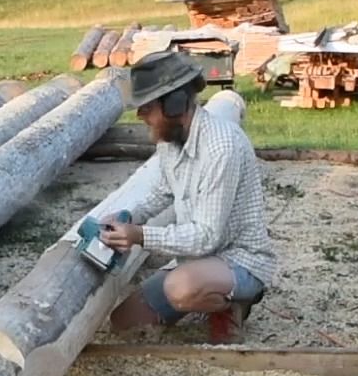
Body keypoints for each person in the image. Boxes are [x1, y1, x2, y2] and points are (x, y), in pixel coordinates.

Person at [100, 50, 277, 339]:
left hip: (240, 260)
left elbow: (207, 236)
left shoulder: (221, 148)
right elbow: (163, 190)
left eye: (146, 107)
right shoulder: (172, 140)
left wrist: (139, 235)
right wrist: (129, 216)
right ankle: (200, 288)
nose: (141, 115)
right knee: (124, 322)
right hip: (195, 260)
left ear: (174, 104)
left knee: (180, 288)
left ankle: (231, 305)